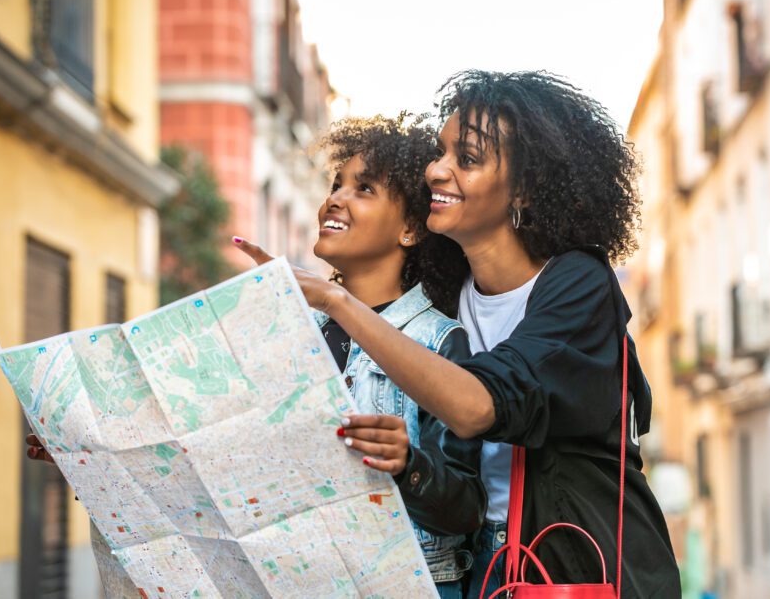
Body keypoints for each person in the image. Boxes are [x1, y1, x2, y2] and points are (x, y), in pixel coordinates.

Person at [236, 71, 682, 598]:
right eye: (441, 152)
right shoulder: (447, 297)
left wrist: (336, 299)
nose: (436, 171)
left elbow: (479, 407)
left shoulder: (579, 284)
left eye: (466, 159)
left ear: (525, 187)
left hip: (570, 563)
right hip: (477, 566)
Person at [29, 114, 486, 599]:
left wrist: (408, 464)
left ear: (411, 230)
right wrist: (91, 454)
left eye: (364, 189)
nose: (335, 198)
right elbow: (210, 458)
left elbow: (468, 508)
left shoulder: (440, 342)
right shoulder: (281, 325)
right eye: (336, 184)